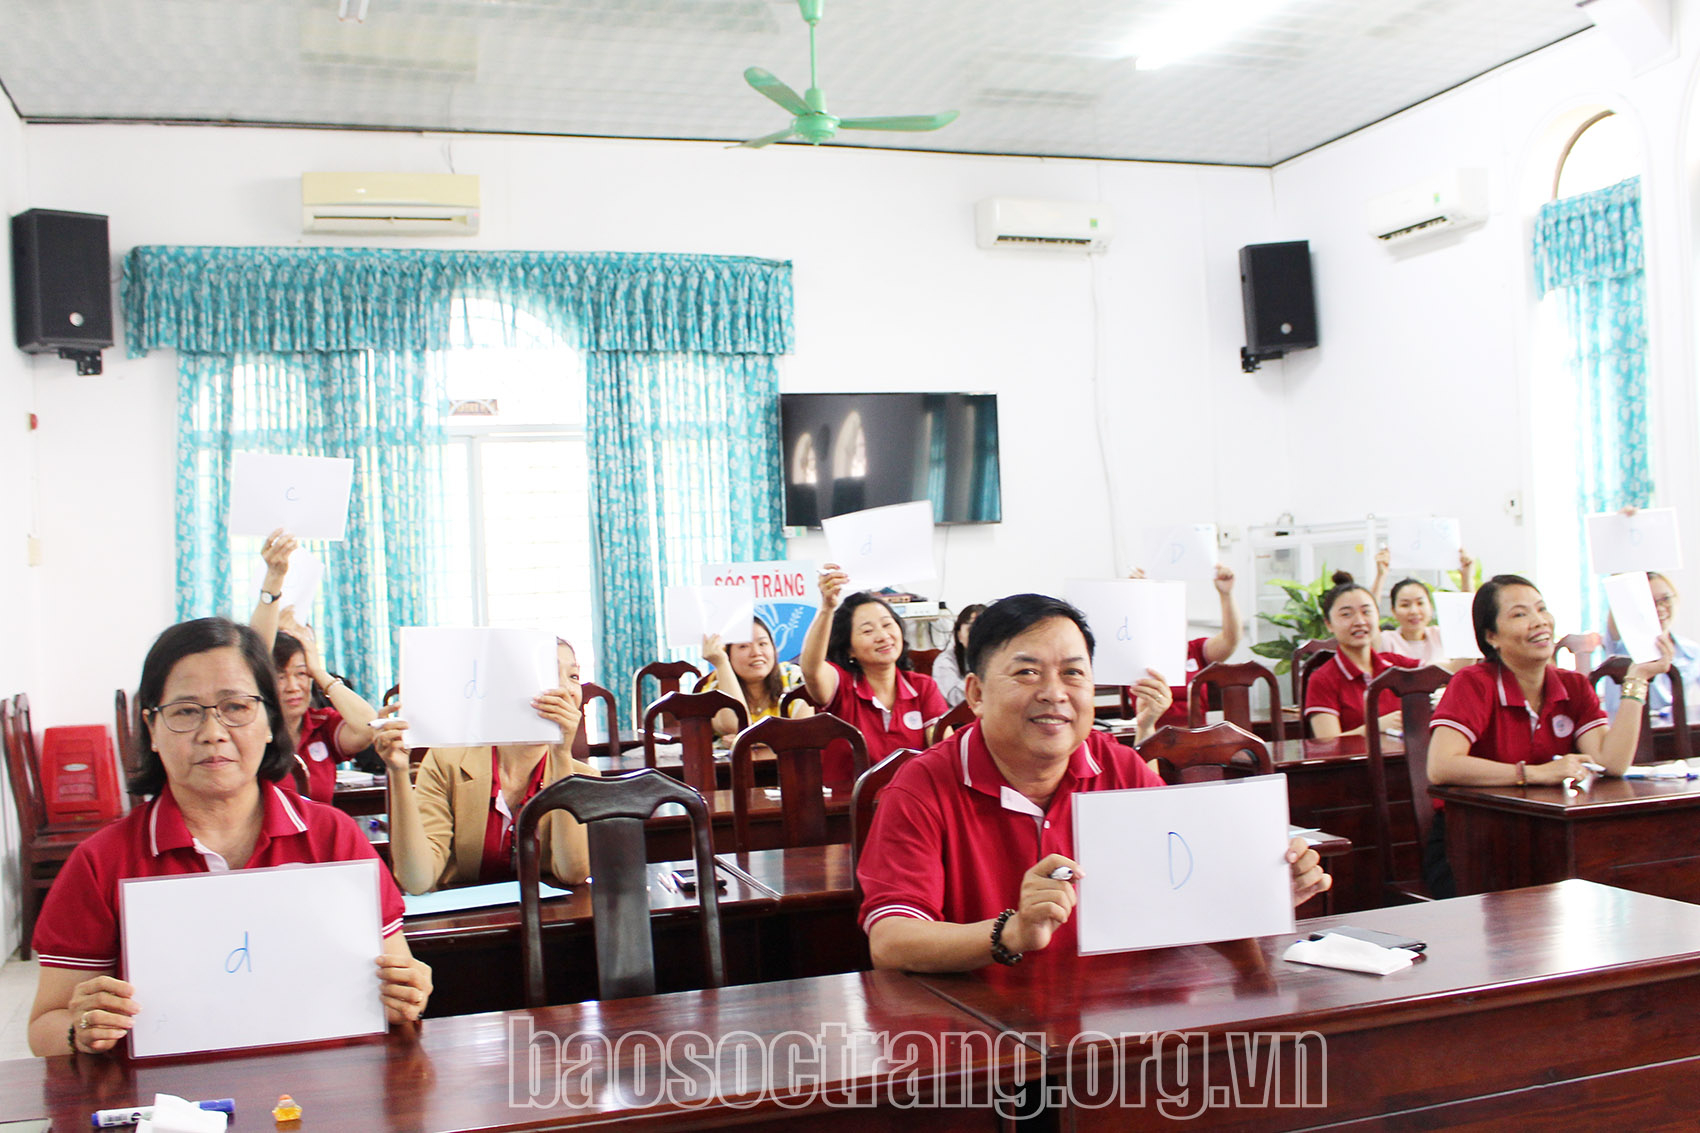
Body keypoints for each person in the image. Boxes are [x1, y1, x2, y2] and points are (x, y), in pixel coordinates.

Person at [855, 593, 1329, 972]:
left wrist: (1259, 894)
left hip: (1125, 1027)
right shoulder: (921, 786)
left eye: (1073, 673)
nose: (1054, 692)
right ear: (976, 694)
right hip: (994, 1043)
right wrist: (1012, 933)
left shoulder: (1122, 770)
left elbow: (1193, 898)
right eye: (1027, 672)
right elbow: (892, 940)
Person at [27, 618, 430, 1056]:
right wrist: (81, 1028)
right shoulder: (101, 861)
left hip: (324, 1092)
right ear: (152, 729)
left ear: (270, 721)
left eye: (236, 707)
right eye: (185, 711)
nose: (213, 732)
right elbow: (44, 1028)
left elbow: (398, 976)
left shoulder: (334, 839)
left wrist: (407, 990)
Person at [1426, 574, 1672, 897]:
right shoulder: (1473, 683)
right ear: (1491, 636)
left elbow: (1611, 762)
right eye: (1519, 614)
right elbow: (1441, 765)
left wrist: (1637, 678)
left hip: (1546, 834)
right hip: (1472, 840)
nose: (1539, 621)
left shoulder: (1573, 685)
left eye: (1541, 609)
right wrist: (1533, 773)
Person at [375, 639, 596, 895]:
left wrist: (560, 754)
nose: (566, 690)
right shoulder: (446, 763)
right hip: (466, 927)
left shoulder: (584, 778)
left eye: (573, 676)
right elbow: (417, 881)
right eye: (547, 674)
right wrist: (398, 772)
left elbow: (573, 873)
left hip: (552, 924)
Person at [799, 566, 949, 784]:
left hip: (909, 804)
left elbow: (942, 751)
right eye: (868, 631)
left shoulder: (923, 686)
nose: (883, 636)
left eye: (888, 625)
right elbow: (811, 670)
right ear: (849, 647)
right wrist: (827, 609)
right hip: (848, 809)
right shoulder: (841, 684)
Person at [272, 608, 379, 804]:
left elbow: (368, 727)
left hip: (318, 833)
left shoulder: (321, 724)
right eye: (280, 677)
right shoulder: (253, 734)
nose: (293, 687)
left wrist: (319, 671)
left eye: (301, 674)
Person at [1303, 571, 1421, 739]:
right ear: (1329, 624)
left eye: (1366, 612)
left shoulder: (1395, 664)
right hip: (1356, 765)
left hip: (1405, 761)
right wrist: (1376, 726)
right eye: (1346, 614)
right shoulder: (1322, 679)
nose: (1359, 621)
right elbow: (1327, 742)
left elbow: (1445, 670)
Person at [1128, 565, 1243, 727]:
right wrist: (1131, 593)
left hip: (1200, 738)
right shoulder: (1134, 653)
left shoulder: (1194, 649)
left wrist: (1226, 594)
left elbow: (1230, 640)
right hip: (1154, 738)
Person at [1601, 572, 1700, 722]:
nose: (1660, 608)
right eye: (1650, 602)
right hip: (1630, 736)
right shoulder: (1622, 645)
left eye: (1665, 599)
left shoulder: (1692, 651)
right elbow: (1618, 595)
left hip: (1678, 736)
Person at [699, 617, 813, 740]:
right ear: (728, 654)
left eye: (762, 644)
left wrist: (750, 741)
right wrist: (721, 663)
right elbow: (734, 726)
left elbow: (804, 733)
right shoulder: (715, 688)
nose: (756, 652)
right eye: (743, 646)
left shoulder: (792, 677)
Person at [1372, 546, 1476, 668]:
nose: (1414, 611)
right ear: (1393, 611)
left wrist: (1466, 577)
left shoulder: (1441, 635)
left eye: (1420, 603)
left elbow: (1468, 627)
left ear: (1431, 607)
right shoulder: (1386, 640)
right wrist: (1381, 576)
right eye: (1405, 605)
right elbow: (1369, 618)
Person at [930, 604, 987, 707]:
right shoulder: (945, 662)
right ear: (959, 635)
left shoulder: (1003, 658)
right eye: (971, 630)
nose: (977, 636)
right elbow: (956, 700)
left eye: (984, 630)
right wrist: (979, 667)